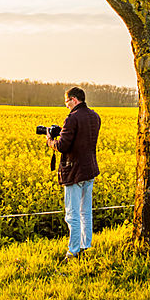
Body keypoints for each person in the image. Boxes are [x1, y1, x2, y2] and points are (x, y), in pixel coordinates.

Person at [46, 87, 101, 261]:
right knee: (86, 211)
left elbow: (63, 146)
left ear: (74, 99)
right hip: (89, 170)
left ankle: (73, 251)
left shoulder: (72, 118)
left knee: (72, 214)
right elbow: (81, 140)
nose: (66, 105)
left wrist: (51, 141)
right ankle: (86, 246)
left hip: (74, 172)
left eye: (67, 102)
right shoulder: (95, 116)